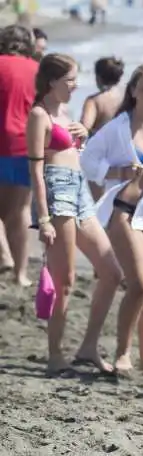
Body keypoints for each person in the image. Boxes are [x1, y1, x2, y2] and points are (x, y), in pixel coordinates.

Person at [26, 53, 122, 376]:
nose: (75, 85)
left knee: (112, 272)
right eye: (69, 80)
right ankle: (55, 355)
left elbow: (71, 152)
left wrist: (82, 137)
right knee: (64, 279)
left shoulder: (64, 111)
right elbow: (37, 170)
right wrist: (42, 218)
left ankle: (88, 346)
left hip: (79, 189)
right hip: (56, 191)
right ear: (52, 82)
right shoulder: (39, 115)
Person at [80, 65, 143, 375]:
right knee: (139, 285)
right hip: (124, 209)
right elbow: (87, 159)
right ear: (133, 91)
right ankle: (123, 353)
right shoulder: (118, 127)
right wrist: (116, 173)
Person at [0, 25, 38, 286]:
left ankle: (5, 257)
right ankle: (20, 274)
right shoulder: (37, 70)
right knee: (20, 211)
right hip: (26, 145)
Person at [80, 57, 126, 200]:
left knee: (101, 204)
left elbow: (84, 128)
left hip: (101, 156)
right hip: (124, 152)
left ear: (98, 77)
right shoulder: (127, 97)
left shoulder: (94, 101)